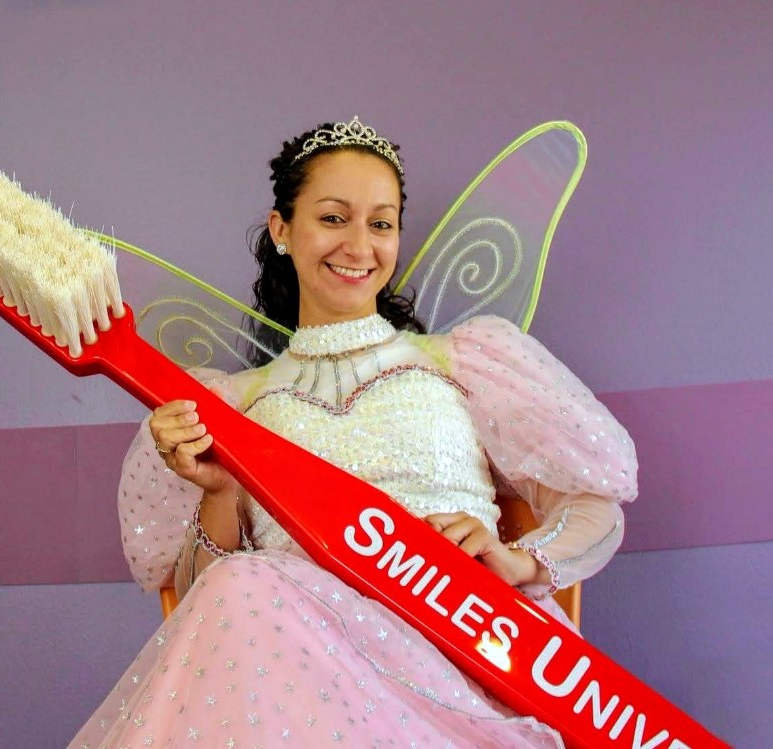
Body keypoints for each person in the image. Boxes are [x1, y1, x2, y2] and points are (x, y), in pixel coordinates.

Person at [69, 118, 637, 747]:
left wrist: (517, 561)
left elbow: (594, 508)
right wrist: (220, 491)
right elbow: (209, 619)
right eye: (334, 218)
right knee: (240, 586)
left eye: (381, 223)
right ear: (282, 229)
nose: (359, 245)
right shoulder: (232, 405)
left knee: (245, 587)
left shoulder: (463, 364)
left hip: (455, 656)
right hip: (292, 681)